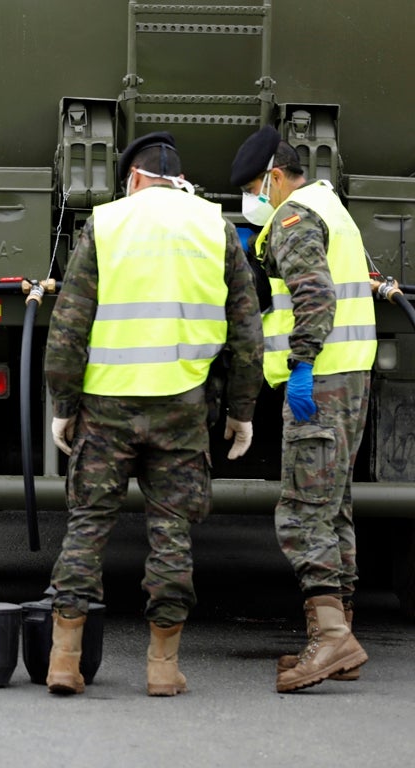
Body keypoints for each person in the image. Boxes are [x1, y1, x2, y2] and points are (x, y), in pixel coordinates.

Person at [43, 132, 264, 697]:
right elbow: (247, 329)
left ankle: (64, 661)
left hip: (107, 405)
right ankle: (162, 668)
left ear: (135, 178)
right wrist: (241, 411)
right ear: (177, 178)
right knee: (171, 535)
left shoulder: (108, 222)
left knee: (87, 527)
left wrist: (64, 405)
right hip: (183, 408)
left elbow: (69, 325)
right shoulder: (214, 226)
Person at [230, 125, 377, 692]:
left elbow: (314, 293)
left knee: (303, 511)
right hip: (352, 376)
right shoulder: (331, 207)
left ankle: (332, 638)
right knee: (333, 506)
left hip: (322, 382)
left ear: (274, 176)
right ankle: (342, 638)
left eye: (253, 187)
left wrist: (303, 364)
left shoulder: (293, 217)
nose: (254, 200)